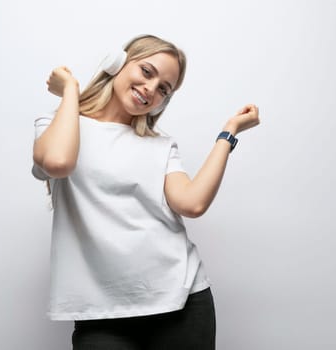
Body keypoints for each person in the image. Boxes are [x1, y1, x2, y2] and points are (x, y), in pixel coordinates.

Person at [31, 34, 260, 349]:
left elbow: (191, 203)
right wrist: (71, 91)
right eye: (147, 72)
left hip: (182, 301)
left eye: (164, 88)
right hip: (100, 313)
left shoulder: (160, 144)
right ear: (117, 64)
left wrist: (228, 133)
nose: (151, 89)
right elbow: (58, 162)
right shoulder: (56, 126)